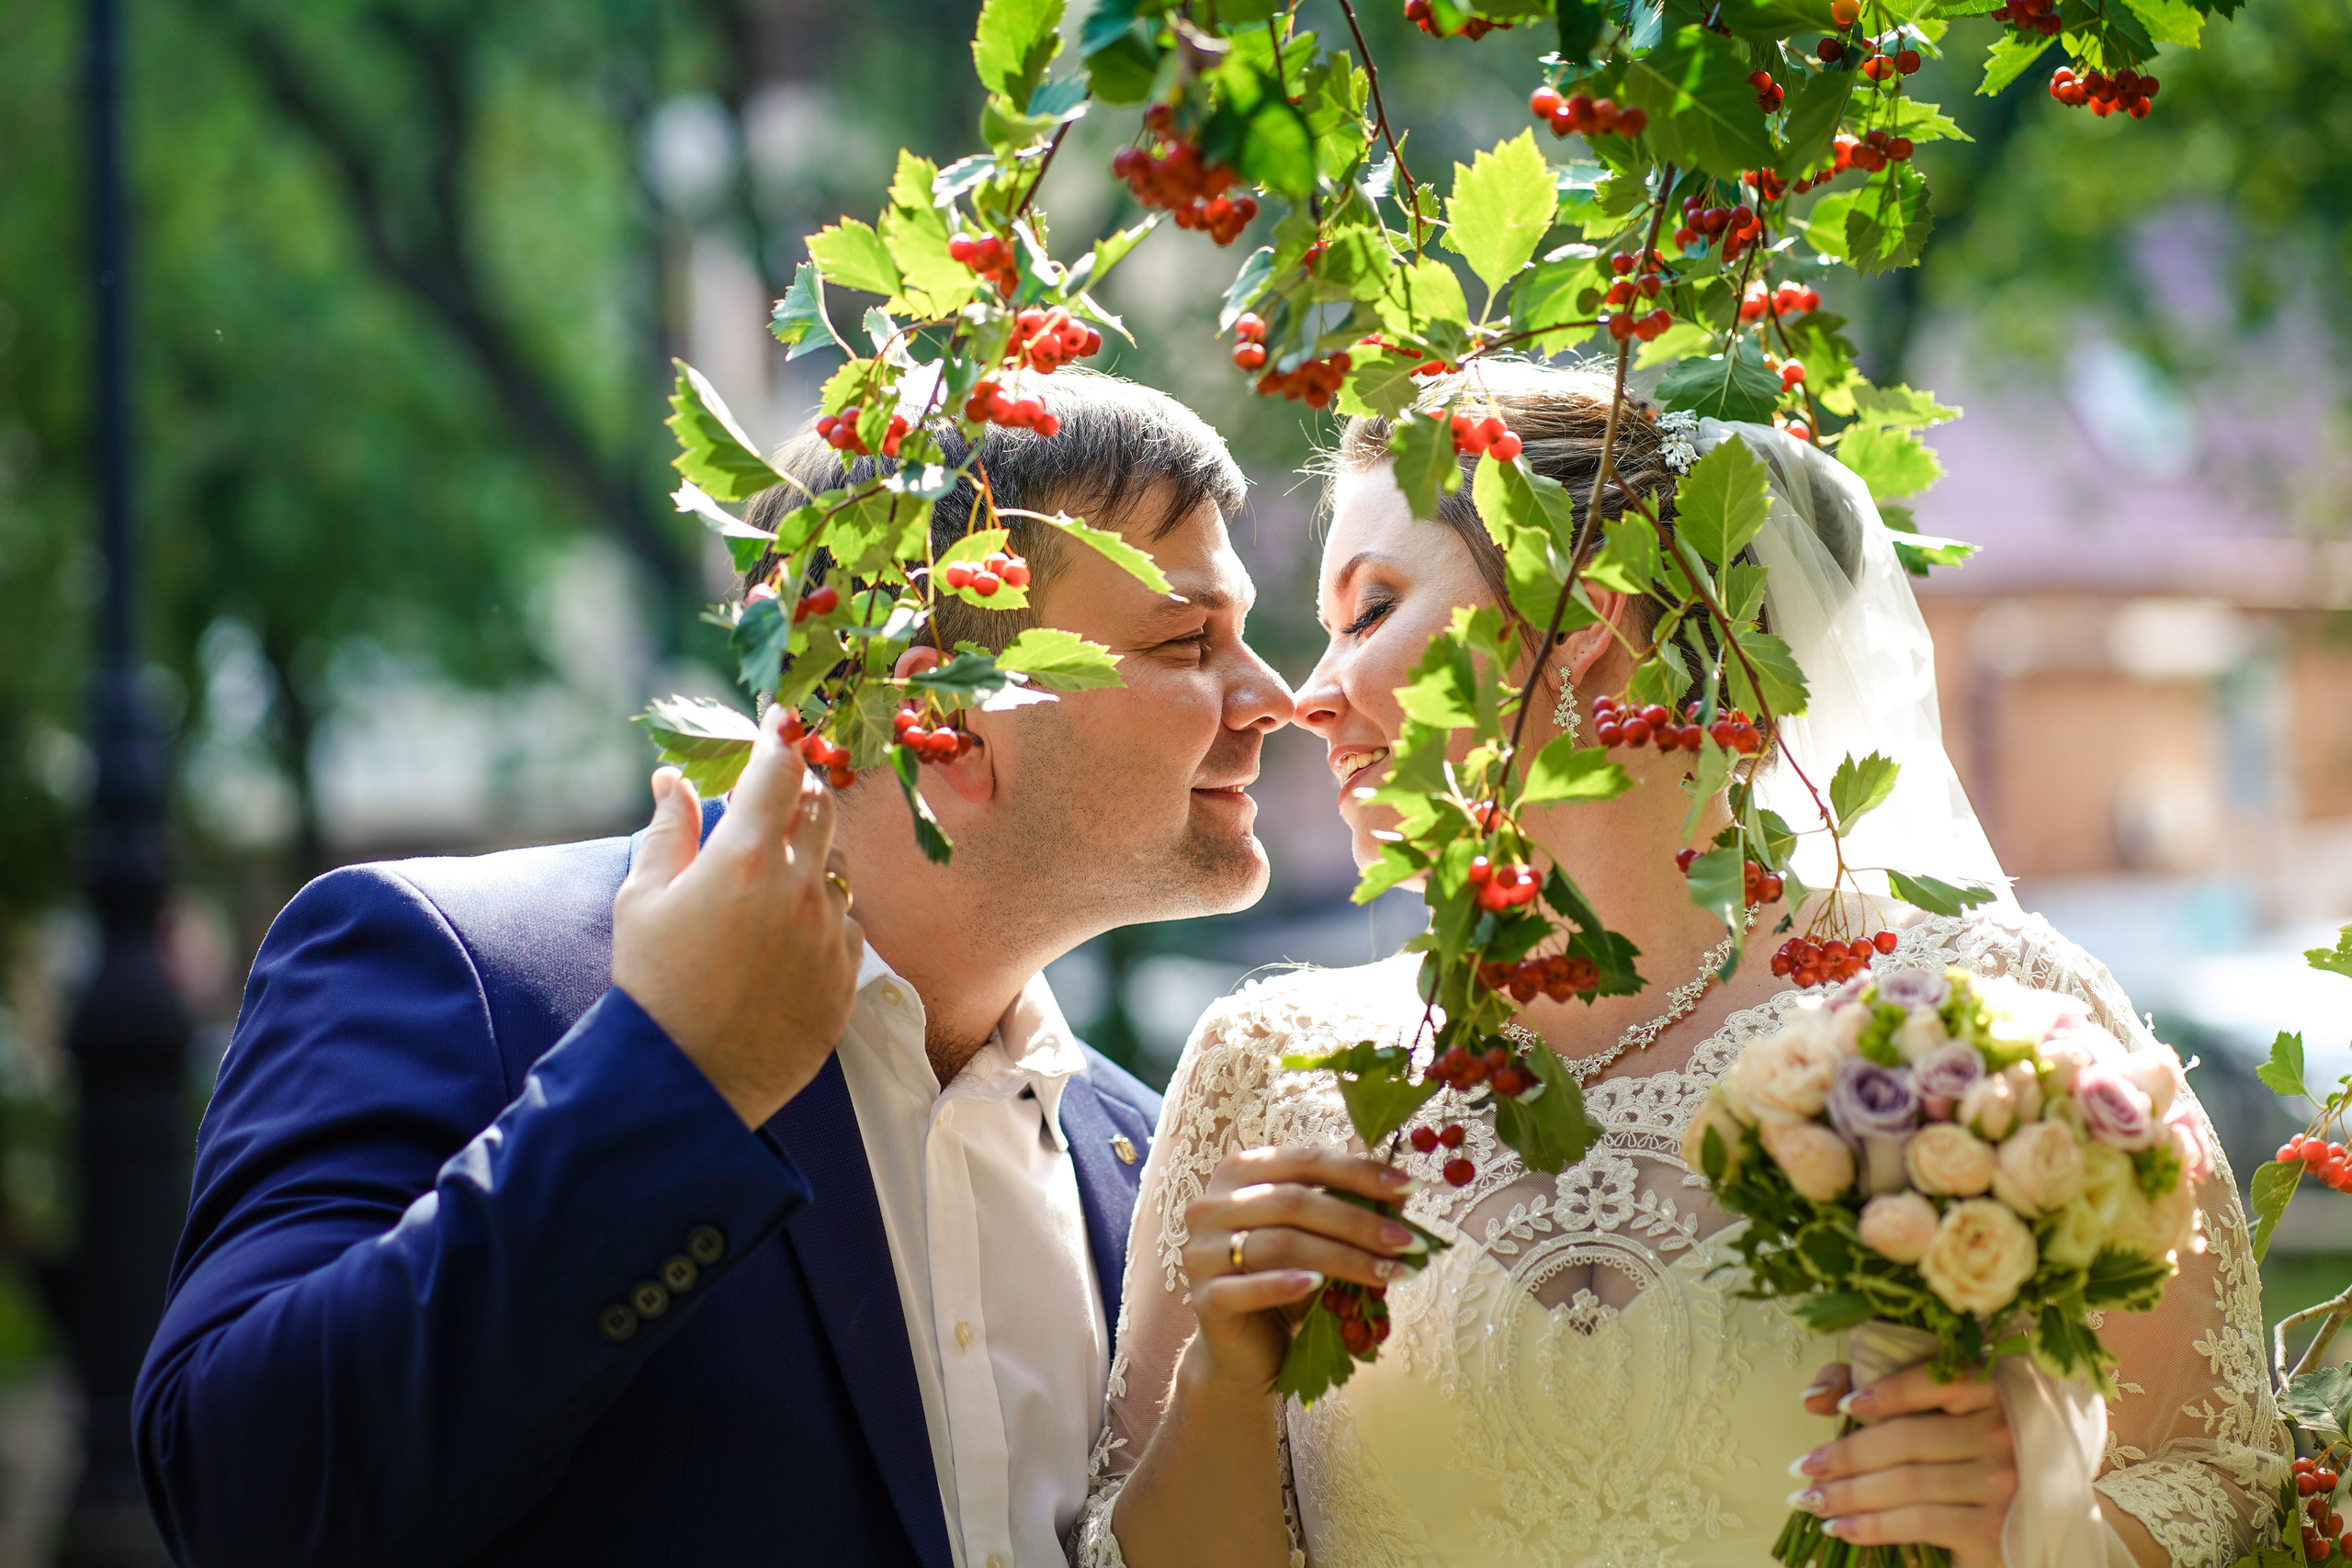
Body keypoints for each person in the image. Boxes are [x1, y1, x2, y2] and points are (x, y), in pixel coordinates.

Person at [1075, 363, 2287, 1568]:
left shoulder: (1972, 1011)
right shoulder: (1268, 1070)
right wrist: (1223, 1384)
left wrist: (2039, 1520)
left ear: (1586, 614)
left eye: (1371, 610)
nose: (1311, 695)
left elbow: (2219, 1478)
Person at [134, 371, 1295, 1568]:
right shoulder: (462, 972)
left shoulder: (1149, 1161)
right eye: (1186, 640)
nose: (1278, 696)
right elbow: (234, 1496)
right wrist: (674, 1078)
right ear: (928, 698)